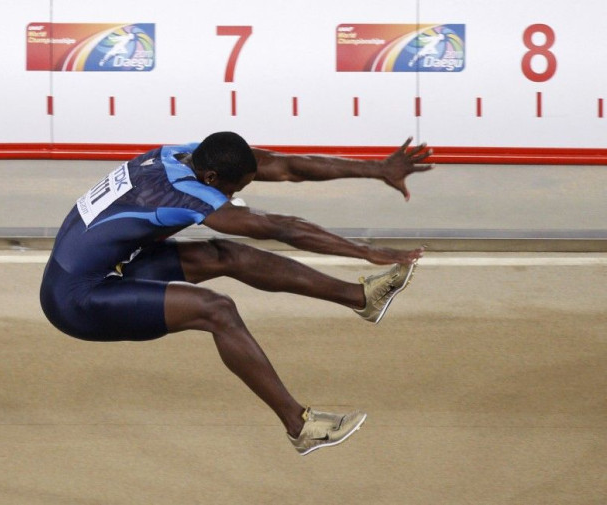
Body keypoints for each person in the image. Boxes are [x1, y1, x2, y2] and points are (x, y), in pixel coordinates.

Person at [40, 132, 434, 455]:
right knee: (217, 310)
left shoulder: (178, 154)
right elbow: (283, 228)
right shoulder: (185, 195)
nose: (234, 196)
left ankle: (362, 298)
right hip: (76, 298)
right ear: (211, 179)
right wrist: (366, 251)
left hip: (110, 264)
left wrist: (377, 169)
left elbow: (285, 166)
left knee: (228, 255)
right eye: (234, 189)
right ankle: (301, 426)